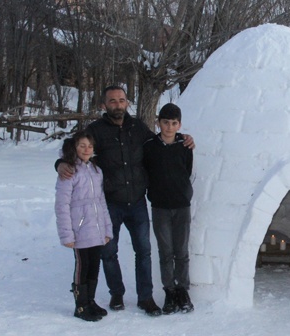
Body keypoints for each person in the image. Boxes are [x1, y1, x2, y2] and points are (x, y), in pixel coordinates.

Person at [56, 86, 194, 317]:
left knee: (144, 251)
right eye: (112, 101)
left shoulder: (137, 127)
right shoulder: (95, 130)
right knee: (108, 252)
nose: (117, 104)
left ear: (127, 102)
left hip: (137, 201)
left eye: (121, 100)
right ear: (104, 105)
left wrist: (183, 138)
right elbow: (75, 147)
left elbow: (162, 141)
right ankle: (116, 293)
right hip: (111, 202)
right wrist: (60, 164)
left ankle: (145, 298)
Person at [55, 131, 113, 322]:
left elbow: (101, 202)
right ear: (74, 148)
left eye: (89, 146)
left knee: (94, 265)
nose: (86, 149)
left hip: (95, 229)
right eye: (82, 146)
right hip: (79, 230)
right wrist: (67, 235)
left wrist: (107, 229)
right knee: (83, 265)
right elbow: (62, 204)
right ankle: (80, 306)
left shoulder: (97, 171)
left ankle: (90, 301)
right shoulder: (70, 171)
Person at [143, 103, 194, 314]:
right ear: (158, 123)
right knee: (166, 252)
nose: (169, 127)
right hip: (160, 207)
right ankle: (169, 291)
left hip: (181, 205)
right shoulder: (150, 147)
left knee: (181, 251)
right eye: (165, 122)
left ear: (179, 125)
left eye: (174, 123)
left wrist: (182, 192)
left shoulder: (185, 146)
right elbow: (147, 172)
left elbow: (187, 171)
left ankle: (183, 290)